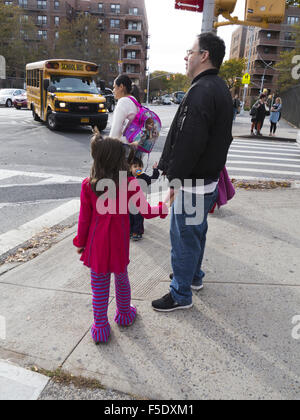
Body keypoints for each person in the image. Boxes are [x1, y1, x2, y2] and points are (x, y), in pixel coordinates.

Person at [151, 32, 233, 312]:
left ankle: (180, 294)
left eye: (190, 51)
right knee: (195, 233)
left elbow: (189, 141)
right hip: (205, 182)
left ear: (204, 55)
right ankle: (193, 277)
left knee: (184, 237)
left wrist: (174, 179)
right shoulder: (218, 87)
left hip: (192, 183)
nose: (186, 57)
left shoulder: (201, 91)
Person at [73, 134, 168, 343]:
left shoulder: (89, 185)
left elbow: (84, 219)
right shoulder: (130, 183)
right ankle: (124, 314)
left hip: (96, 244)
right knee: (121, 277)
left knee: (99, 287)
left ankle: (100, 327)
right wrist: (163, 207)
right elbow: (145, 211)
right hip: (118, 243)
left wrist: (81, 242)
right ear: (120, 159)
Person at [109, 74, 142, 157]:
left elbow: (115, 130)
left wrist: (108, 149)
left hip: (123, 150)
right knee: (133, 170)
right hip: (135, 148)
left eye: (114, 87)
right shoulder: (134, 100)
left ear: (121, 87)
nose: (113, 90)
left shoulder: (123, 102)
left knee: (122, 170)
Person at [129, 157, 160, 241]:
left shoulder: (143, 176)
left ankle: (137, 232)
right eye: (135, 166)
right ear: (130, 168)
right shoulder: (128, 177)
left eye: (140, 166)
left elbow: (152, 179)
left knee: (138, 216)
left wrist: (155, 170)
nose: (138, 168)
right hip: (129, 202)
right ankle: (131, 230)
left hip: (140, 201)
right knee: (130, 216)